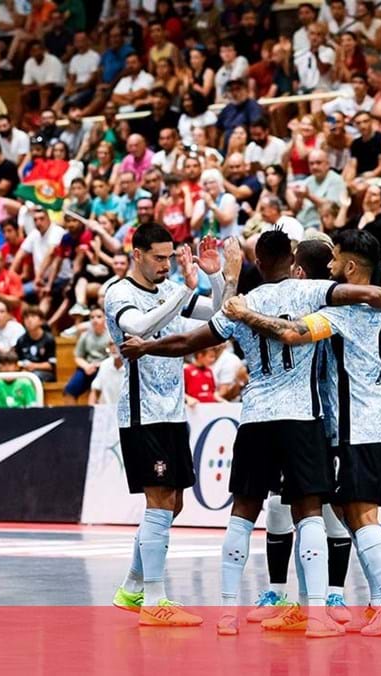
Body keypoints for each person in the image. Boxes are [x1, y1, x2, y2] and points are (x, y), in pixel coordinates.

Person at [118, 232, 381, 637]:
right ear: (292, 260)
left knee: (243, 514)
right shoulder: (313, 291)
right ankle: (318, 613)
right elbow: (364, 295)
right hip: (302, 419)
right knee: (308, 515)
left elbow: (187, 341)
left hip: (255, 419)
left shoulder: (243, 304)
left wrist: (146, 347)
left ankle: (229, 614)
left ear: (258, 263)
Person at [218, 229, 381, 636]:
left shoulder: (338, 313)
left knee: (354, 517)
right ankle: (332, 601)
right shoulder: (380, 310)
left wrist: (242, 312)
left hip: (352, 428)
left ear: (349, 267)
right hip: (379, 424)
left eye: (337, 261)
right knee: (342, 517)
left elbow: (289, 333)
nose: (330, 269)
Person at [101, 225, 239, 627]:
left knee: (173, 504)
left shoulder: (168, 291)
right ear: (137, 253)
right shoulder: (119, 292)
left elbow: (218, 313)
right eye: (158, 258)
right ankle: (154, 600)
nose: (165, 265)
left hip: (173, 411)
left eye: (169, 258)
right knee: (159, 503)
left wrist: (213, 275)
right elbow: (139, 329)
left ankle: (132, 586)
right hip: (143, 413)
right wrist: (181, 290)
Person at [64, 305, 111, 403]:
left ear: (105, 319)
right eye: (92, 317)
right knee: (69, 390)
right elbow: (78, 356)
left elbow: (114, 357)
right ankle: (72, 417)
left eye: (98, 317)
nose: (95, 320)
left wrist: (99, 365)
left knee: (97, 390)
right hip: (87, 368)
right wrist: (86, 366)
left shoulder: (111, 336)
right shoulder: (85, 335)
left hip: (104, 368)